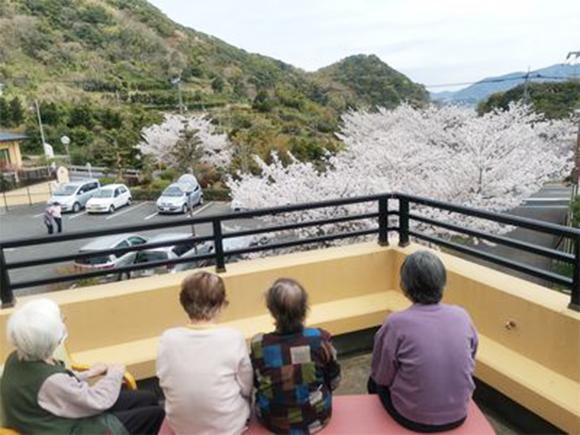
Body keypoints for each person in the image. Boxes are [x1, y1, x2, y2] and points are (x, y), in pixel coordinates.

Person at [0, 298, 165, 435]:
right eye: (61, 319)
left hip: (51, 417)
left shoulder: (15, 359)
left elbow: (55, 389)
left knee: (147, 398)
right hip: (72, 428)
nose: (64, 322)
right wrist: (114, 373)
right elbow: (98, 401)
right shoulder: (51, 381)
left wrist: (88, 373)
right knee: (156, 415)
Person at [368, 250, 478, 433]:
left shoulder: (396, 323)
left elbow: (382, 376)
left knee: (373, 383)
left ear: (404, 286)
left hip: (412, 418)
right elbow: (471, 355)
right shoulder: (462, 316)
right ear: (443, 284)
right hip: (459, 414)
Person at [156, 271, 253, 435]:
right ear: (221, 304)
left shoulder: (167, 338)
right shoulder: (232, 337)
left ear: (184, 304)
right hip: (228, 428)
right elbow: (246, 387)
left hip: (181, 427)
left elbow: (164, 379)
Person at [251, 278, 341, 434]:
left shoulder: (259, 345)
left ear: (271, 310)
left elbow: (256, 383)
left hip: (273, 420)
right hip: (316, 418)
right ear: (305, 309)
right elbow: (334, 379)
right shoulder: (320, 339)